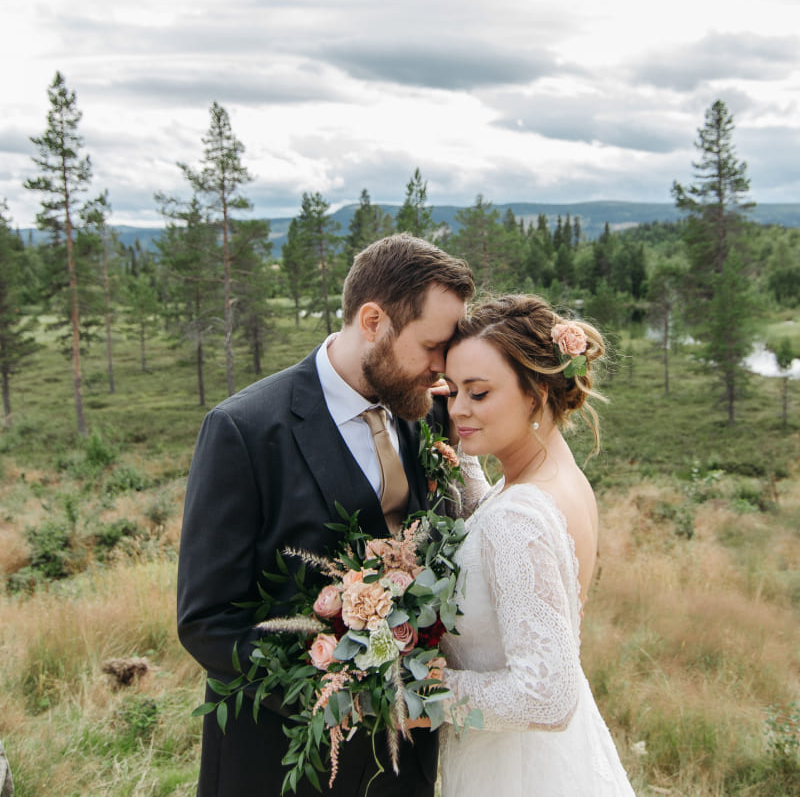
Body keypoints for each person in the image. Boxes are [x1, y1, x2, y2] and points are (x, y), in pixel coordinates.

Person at [177, 233, 475, 797]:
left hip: (403, 762)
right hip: (280, 763)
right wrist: (337, 692)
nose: (443, 367)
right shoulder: (244, 431)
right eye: (433, 345)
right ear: (373, 321)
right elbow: (207, 622)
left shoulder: (428, 410)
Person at [436, 294, 635, 796]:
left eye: (478, 393)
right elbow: (489, 521)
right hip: (554, 758)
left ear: (536, 393)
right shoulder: (554, 479)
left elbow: (544, 696)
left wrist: (421, 692)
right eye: (453, 390)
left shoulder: (519, 517)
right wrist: (459, 457)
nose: (456, 409)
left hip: (514, 772)